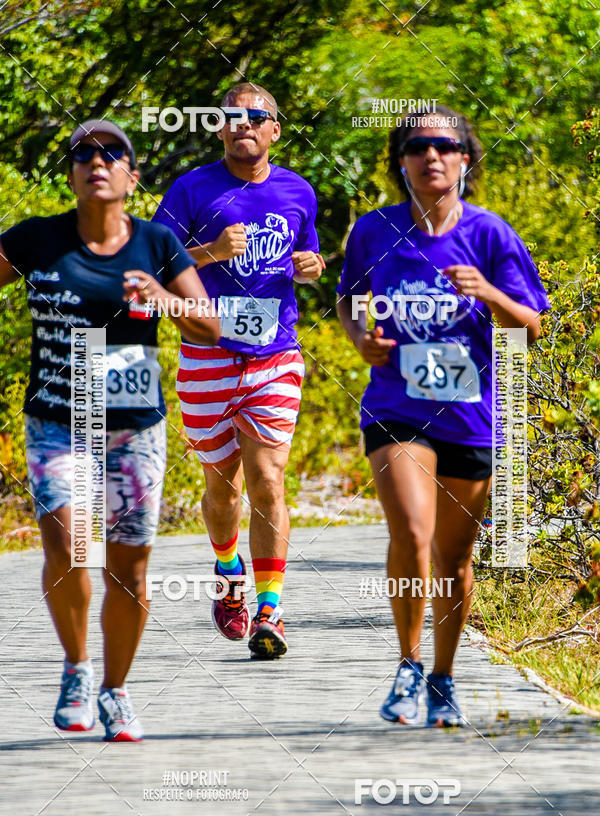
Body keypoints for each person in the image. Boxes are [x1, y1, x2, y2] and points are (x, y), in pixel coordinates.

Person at [0, 120, 219, 740]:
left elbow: (208, 327)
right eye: (83, 154)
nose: (97, 161)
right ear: (70, 175)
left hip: (132, 429)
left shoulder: (156, 243)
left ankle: (115, 691)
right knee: (71, 546)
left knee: (129, 567)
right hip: (58, 420)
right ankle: (75, 667)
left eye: (112, 153)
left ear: (132, 174)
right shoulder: (37, 240)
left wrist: (163, 297)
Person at [337, 106, 549, 726]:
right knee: (412, 531)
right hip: (397, 407)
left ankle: (443, 677)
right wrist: (359, 338)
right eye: (418, 145)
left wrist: (489, 293)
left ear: (464, 159)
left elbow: (530, 328)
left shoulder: (489, 235)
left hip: (471, 416)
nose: (432, 155)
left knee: (454, 562)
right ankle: (405, 666)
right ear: (401, 161)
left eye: (445, 145)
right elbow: (351, 300)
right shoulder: (375, 231)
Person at [154, 83, 324, 659]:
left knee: (268, 479)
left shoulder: (299, 191)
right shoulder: (191, 188)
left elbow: (307, 260)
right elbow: (151, 264)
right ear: (219, 128)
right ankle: (229, 574)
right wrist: (207, 252)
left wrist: (311, 266)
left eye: (257, 117)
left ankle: (270, 611)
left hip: (275, 354)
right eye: (233, 117)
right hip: (207, 355)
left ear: (276, 129)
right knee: (221, 486)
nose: (244, 124)